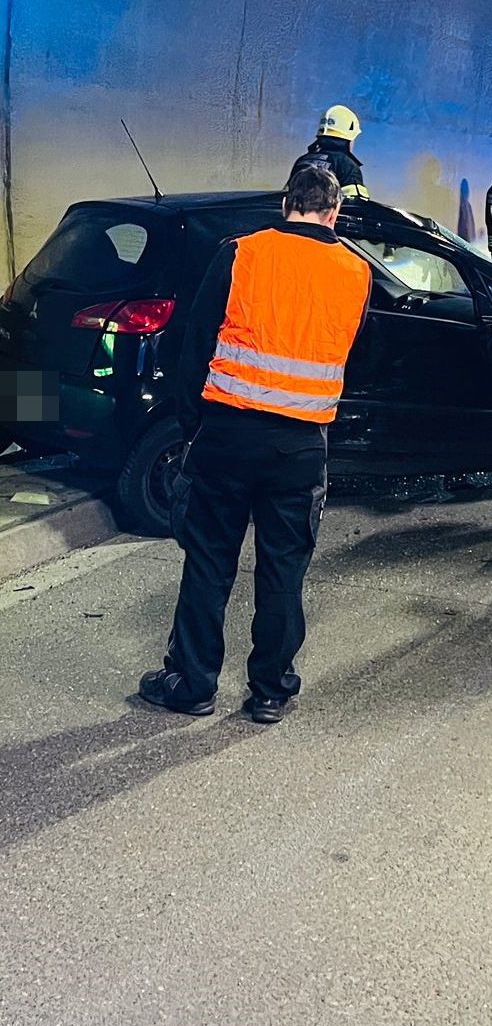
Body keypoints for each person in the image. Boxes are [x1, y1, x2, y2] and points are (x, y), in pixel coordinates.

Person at [138, 166, 372, 723]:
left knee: (209, 563)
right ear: (332, 212)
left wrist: (194, 425)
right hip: (299, 446)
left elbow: (194, 345)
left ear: (285, 204)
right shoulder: (356, 271)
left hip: (227, 435)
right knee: (283, 571)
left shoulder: (241, 252)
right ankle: (270, 691)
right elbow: (356, 353)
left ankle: (192, 683)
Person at [287, 104, 369, 199]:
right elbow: (356, 206)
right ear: (349, 138)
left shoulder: (302, 160)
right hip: (328, 214)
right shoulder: (347, 166)